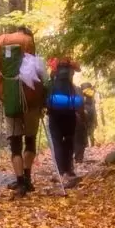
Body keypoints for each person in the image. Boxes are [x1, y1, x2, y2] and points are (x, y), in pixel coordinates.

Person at [0, 26, 45, 197]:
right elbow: (39, 74)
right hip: (31, 101)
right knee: (30, 140)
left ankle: (20, 181)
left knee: (15, 144)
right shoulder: (28, 44)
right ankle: (27, 178)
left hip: (10, 101)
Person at [46, 56, 82, 186]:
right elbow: (79, 69)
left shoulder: (52, 81)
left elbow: (46, 96)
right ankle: (69, 169)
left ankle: (60, 171)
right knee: (69, 140)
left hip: (54, 115)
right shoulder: (71, 85)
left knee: (57, 142)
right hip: (70, 113)